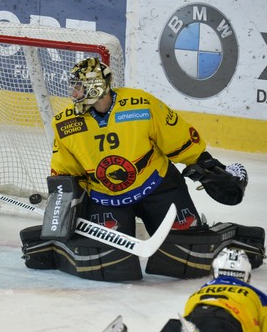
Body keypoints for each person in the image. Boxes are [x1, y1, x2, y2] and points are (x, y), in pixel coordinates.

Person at [19, 57, 264, 281]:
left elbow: (176, 138)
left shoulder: (141, 104)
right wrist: (64, 207)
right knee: (109, 261)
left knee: (187, 254)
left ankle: (236, 238)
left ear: (95, 87)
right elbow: (66, 172)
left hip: (158, 185)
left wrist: (206, 166)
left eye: (79, 87)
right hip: (106, 197)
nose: (74, 93)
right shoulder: (65, 123)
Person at [82, 247, 267, 332]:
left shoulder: (199, 294)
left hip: (184, 325)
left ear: (215, 273)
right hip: (225, 327)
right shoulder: (258, 298)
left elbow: (191, 325)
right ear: (247, 277)